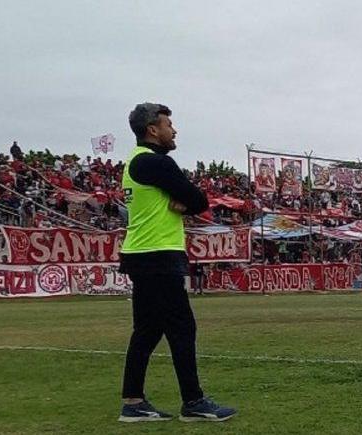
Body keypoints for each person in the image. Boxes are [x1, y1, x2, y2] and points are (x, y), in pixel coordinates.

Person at [118, 103, 236, 423]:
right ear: (152, 130)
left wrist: (182, 204)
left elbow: (191, 200)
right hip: (157, 254)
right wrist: (185, 206)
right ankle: (193, 401)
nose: (174, 130)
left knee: (147, 330)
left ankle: (133, 402)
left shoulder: (133, 162)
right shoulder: (156, 162)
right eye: (168, 124)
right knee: (181, 326)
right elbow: (199, 200)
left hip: (142, 253)